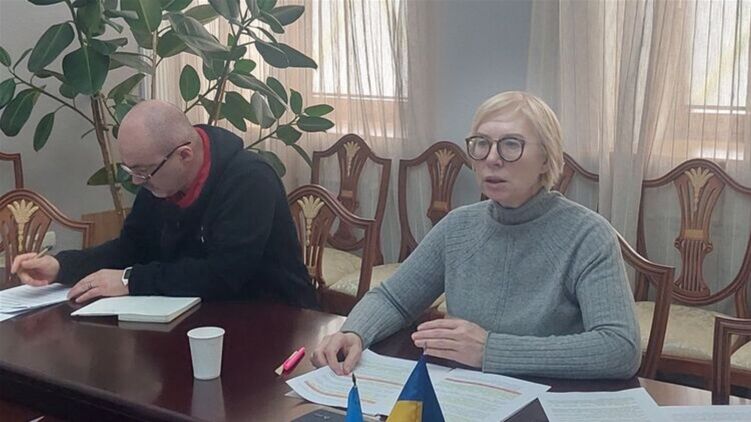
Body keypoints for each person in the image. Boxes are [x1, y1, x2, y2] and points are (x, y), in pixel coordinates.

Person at [312, 91, 640, 379]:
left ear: (546, 159)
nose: (492, 158)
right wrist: (355, 332)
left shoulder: (587, 235)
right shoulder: (459, 226)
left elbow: (620, 348)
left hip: (549, 398)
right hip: (464, 393)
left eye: (511, 145)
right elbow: (394, 299)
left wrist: (491, 351)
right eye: (481, 144)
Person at [11, 100, 317, 308]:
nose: (137, 181)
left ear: (184, 155)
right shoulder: (158, 178)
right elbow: (131, 248)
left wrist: (131, 280)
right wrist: (62, 266)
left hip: (273, 319)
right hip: (191, 316)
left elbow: (225, 274)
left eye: (143, 171)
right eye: (131, 170)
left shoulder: (250, 179)